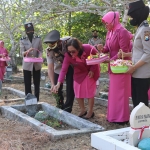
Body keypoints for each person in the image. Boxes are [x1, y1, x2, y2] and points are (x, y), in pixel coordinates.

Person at [53, 38, 100, 119]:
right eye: (69, 51)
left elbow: (97, 57)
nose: (71, 53)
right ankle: (82, 110)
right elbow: (64, 69)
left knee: (89, 92)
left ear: (79, 48)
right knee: (77, 92)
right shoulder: (68, 55)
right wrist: (58, 83)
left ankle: (90, 111)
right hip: (78, 73)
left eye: (73, 51)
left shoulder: (88, 48)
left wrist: (92, 70)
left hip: (90, 71)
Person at [97, 11, 131, 124]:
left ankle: (122, 118)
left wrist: (110, 60)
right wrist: (102, 49)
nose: (105, 25)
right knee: (114, 93)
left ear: (113, 21)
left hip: (121, 67)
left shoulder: (122, 32)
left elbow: (124, 51)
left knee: (120, 93)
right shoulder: (109, 32)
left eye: (106, 23)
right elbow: (107, 48)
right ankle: (113, 116)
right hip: (113, 66)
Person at [43, 30, 74, 113]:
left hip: (71, 66)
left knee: (70, 87)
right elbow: (50, 67)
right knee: (57, 88)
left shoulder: (68, 42)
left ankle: (68, 108)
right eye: (50, 44)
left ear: (58, 41)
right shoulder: (49, 51)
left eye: (53, 44)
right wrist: (53, 84)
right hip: (59, 68)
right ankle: (60, 105)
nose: (51, 46)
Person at [126, 0, 150, 107]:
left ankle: (143, 124)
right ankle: (138, 123)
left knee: (140, 102)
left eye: (132, 17)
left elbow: (148, 53)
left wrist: (134, 67)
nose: (131, 19)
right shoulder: (140, 28)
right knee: (136, 99)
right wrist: (126, 55)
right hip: (136, 72)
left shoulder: (145, 30)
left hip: (142, 73)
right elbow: (139, 51)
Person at [20, 22, 43, 101]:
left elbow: (40, 50)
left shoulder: (38, 38)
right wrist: (27, 51)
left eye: (32, 30)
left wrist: (40, 56)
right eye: (29, 31)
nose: (30, 32)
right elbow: (21, 53)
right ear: (26, 31)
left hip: (36, 63)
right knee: (27, 83)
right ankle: (29, 99)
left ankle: (37, 99)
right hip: (27, 64)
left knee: (37, 82)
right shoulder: (23, 40)